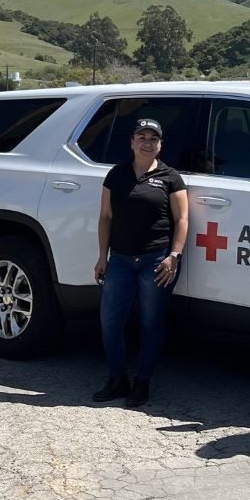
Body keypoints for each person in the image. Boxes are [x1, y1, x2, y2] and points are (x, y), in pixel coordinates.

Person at [92, 118, 189, 408]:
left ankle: (142, 382)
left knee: (151, 323)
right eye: (142, 137)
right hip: (120, 259)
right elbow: (106, 216)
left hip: (156, 260)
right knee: (110, 322)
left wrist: (174, 256)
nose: (147, 143)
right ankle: (117, 378)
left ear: (161, 145)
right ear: (132, 142)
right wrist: (102, 256)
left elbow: (182, 219)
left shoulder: (171, 178)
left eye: (153, 139)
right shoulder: (116, 175)